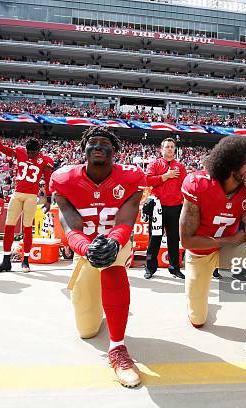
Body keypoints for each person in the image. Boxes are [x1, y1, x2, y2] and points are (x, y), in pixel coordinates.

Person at [50, 126, 145, 388]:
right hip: (84, 249)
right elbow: (70, 225)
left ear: (114, 151)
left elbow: (127, 218)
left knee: (112, 261)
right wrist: (85, 247)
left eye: (106, 143)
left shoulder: (131, 176)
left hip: (117, 240)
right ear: (84, 149)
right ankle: (105, 307)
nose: (99, 146)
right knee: (87, 330)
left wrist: (113, 242)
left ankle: (117, 349)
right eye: (93, 142)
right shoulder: (64, 178)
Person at [180, 136, 246, 377]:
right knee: (198, 319)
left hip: (226, 252)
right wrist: (226, 239)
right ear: (230, 162)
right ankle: (206, 304)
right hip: (200, 252)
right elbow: (187, 240)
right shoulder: (198, 183)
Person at [0, 118, 54, 273]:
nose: (30, 155)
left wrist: (48, 198)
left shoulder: (45, 160)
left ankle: (26, 261)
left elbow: (49, 179)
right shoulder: (20, 151)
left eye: (33, 152)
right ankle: (5, 261)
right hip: (17, 194)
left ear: (39, 150)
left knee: (27, 227)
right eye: (28, 152)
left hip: (31, 196)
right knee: (9, 226)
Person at [144, 137, 186, 279]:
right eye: (167, 146)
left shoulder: (180, 166)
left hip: (175, 207)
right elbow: (148, 180)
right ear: (161, 149)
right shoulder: (154, 164)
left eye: (172, 147)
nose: (169, 149)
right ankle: (150, 268)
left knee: (174, 239)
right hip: (158, 207)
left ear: (175, 149)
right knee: (154, 238)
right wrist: (165, 176)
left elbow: (185, 186)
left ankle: (175, 268)